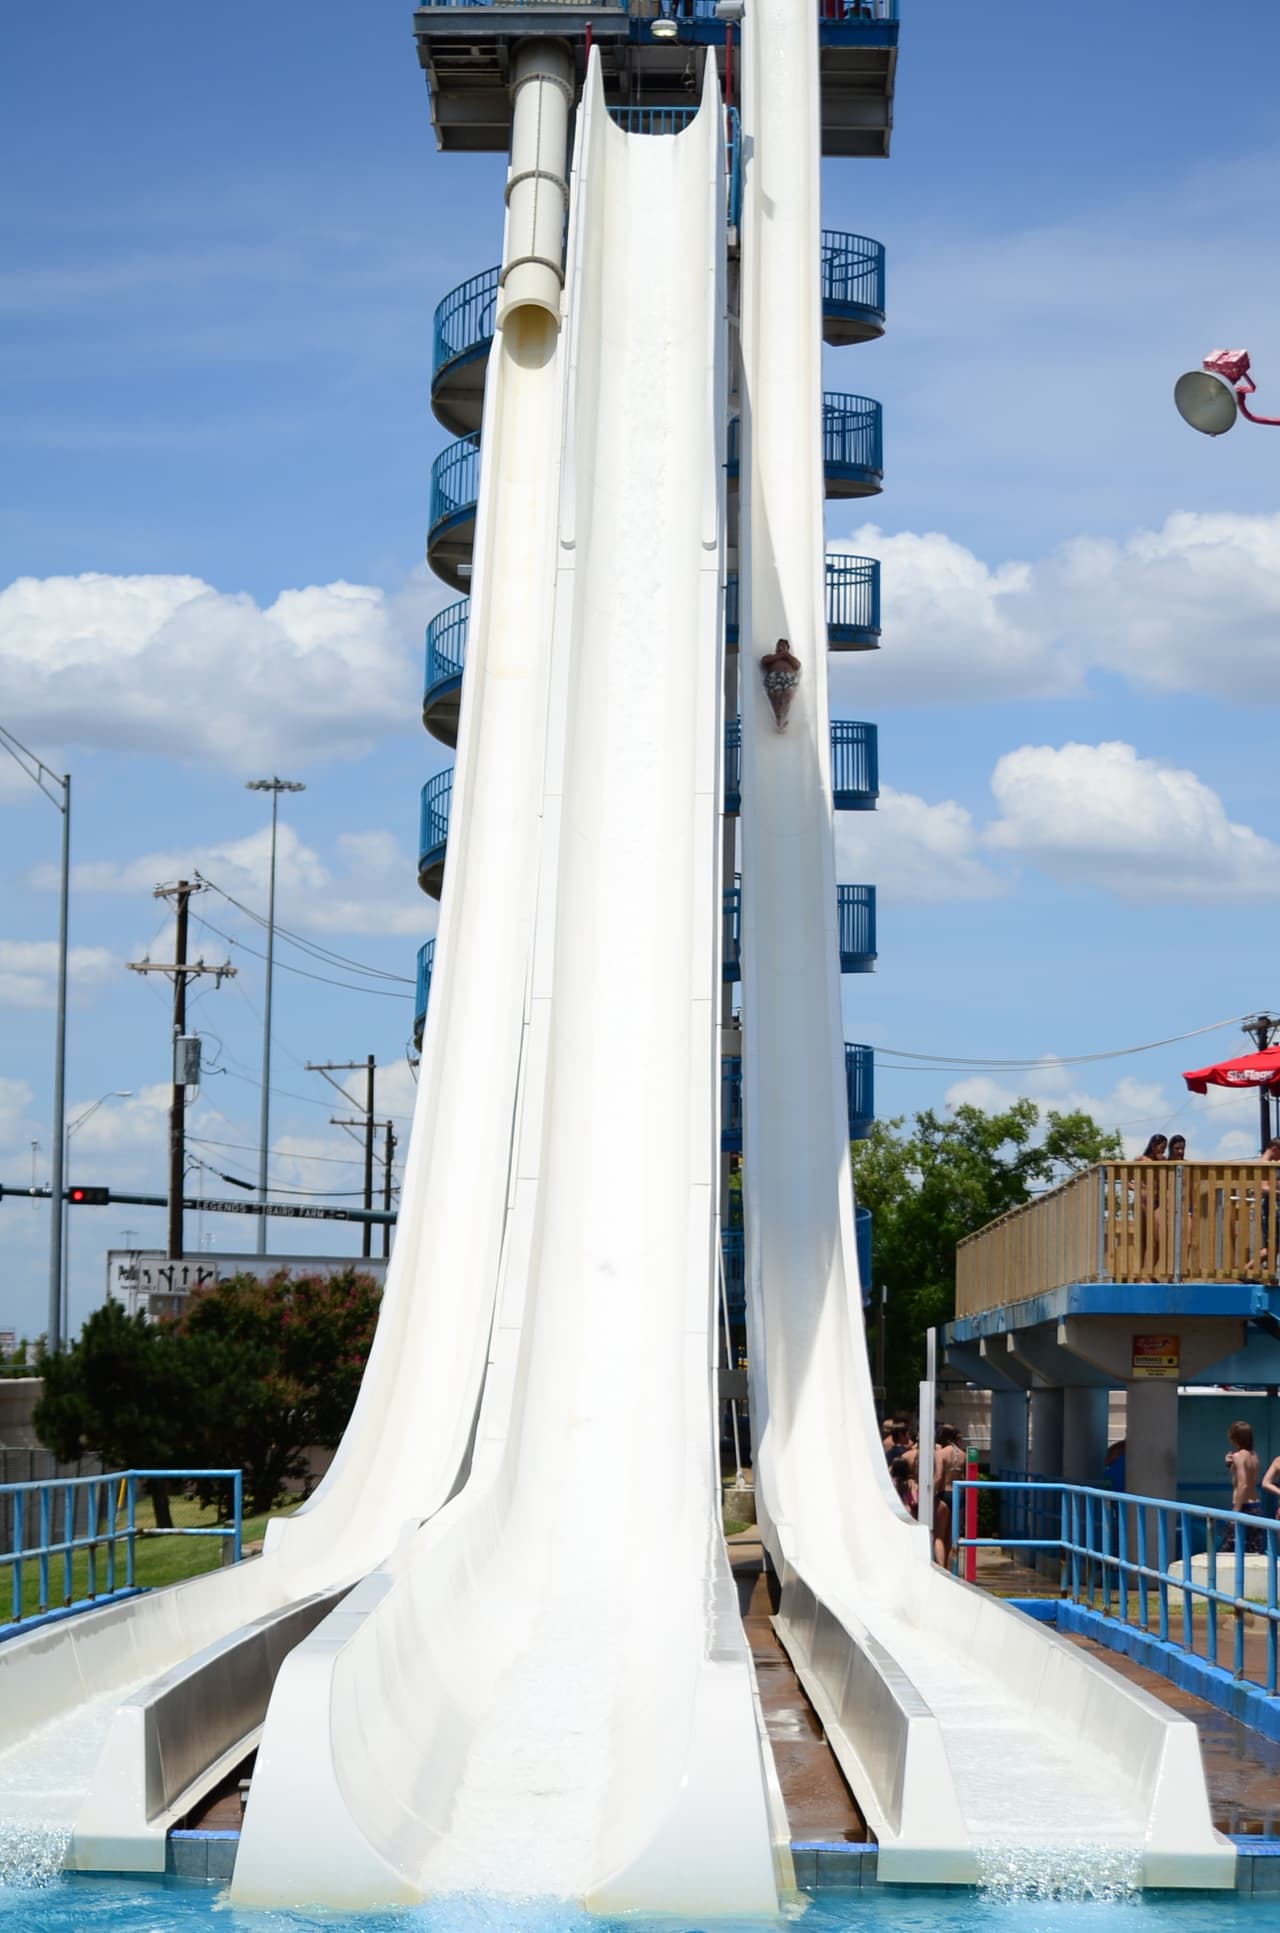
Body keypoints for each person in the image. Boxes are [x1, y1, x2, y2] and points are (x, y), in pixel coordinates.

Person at [1224, 1420, 1266, 1555]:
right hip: (1256, 1506)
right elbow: (1248, 1477)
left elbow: (1243, 1484)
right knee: (1254, 1552)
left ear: (1235, 1438)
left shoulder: (1238, 1456)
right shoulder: (1254, 1456)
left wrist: (1235, 1512)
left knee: (1229, 1552)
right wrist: (1229, 1465)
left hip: (1243, 1507)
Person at [933, 1424, 965, 1567]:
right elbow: (967, 1479)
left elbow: (939, 1476)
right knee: (952, 1538)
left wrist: (931, 1493)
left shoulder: (941, 1453)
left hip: (944, 1495)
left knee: (939, 1536)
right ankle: (951, 1569)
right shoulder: (963, 1455)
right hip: (958, 1497)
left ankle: (941, 1569)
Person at [760, 639, 802, 732]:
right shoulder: (772, 657)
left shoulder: (790, 659)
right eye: (779, 645)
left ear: (787, 648)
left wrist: (786, 654)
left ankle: (784, 717)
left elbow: (797, 665)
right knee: (775, 695)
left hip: (788, 679)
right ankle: (778, 718)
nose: (780, 647)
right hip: (775, 678)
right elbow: (763, 661)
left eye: (783, 646)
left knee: (787, 695)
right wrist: (779, 656)